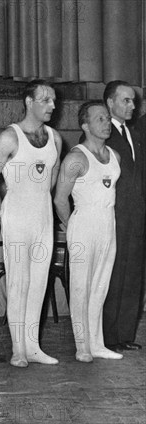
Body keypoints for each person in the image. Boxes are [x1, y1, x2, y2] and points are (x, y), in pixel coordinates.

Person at [0, 80, 62, 367]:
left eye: (53, 100)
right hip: (15, 215)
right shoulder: (10, 137)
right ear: (29, 101)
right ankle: (18, 348)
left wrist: (43, 207)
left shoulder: (55, 138)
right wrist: (0, 211)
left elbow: (51, 181)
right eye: (45, 100)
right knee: (19, 281)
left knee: (40, 281)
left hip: (42, 216)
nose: (52, 105)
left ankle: (33, 346)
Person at [54, 101, 123, 362]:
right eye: (100, 119)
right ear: (85, 125)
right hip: (83, 223)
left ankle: (97, 344)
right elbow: (60, 199)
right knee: (81, 287)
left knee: (100, 285)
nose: (106, 123)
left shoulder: (115, 157)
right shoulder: (76, 158)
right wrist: (73, 226)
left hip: (108, 223)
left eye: (107, 118)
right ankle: (82, 345)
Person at [102, 81, 145, 352]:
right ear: (110, 102)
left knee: (133, 273)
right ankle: (106, 337)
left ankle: (124, 334)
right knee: (114, 274)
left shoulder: (135, 132)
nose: (132, 106)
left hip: (136, 214)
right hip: (114, 213)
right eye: (126, 101)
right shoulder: (102, 134)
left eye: (132, 101)